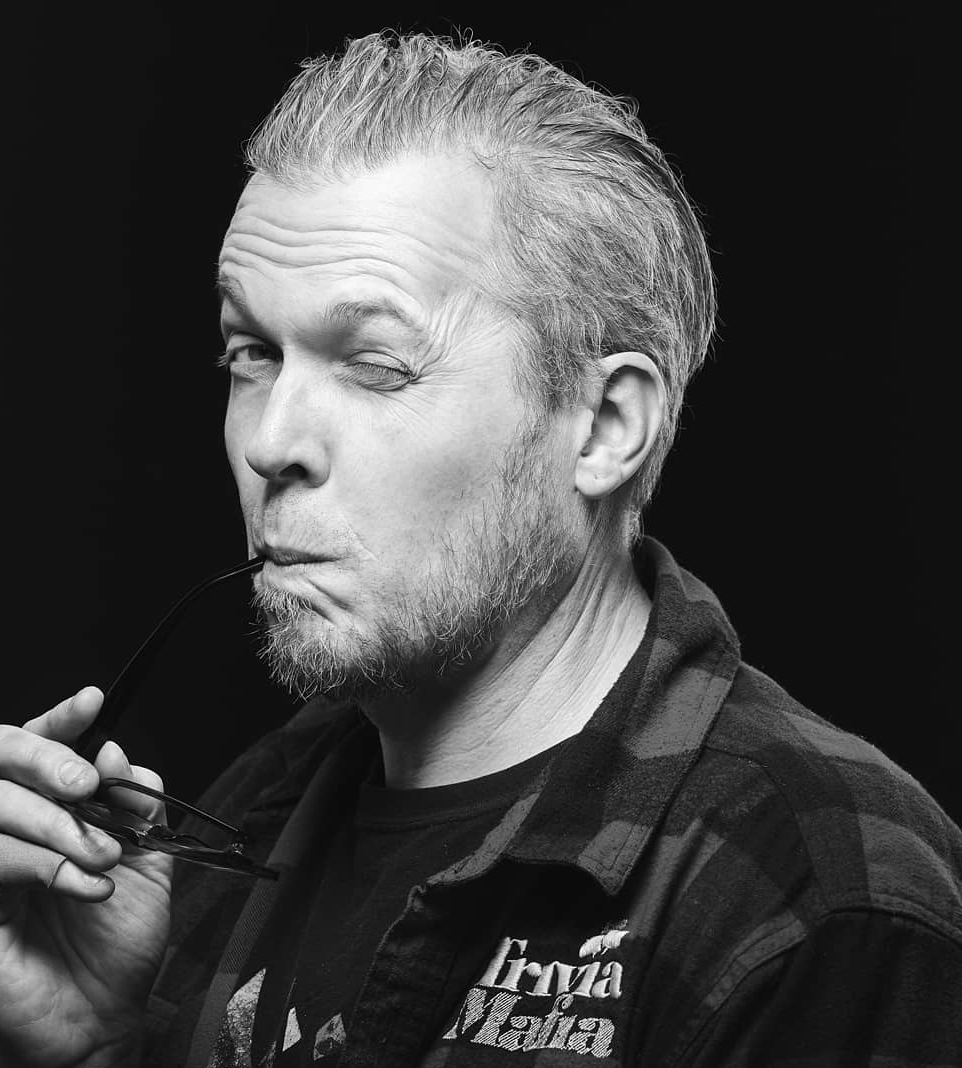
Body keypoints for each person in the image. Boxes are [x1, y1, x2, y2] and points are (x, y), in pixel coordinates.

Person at [1, 31, 959, 1068]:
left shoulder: (815, 898)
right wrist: (99, 1049)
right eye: (250, 353)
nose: (270, 441)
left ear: (600, 428)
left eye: (372, 364)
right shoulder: (240, 819)